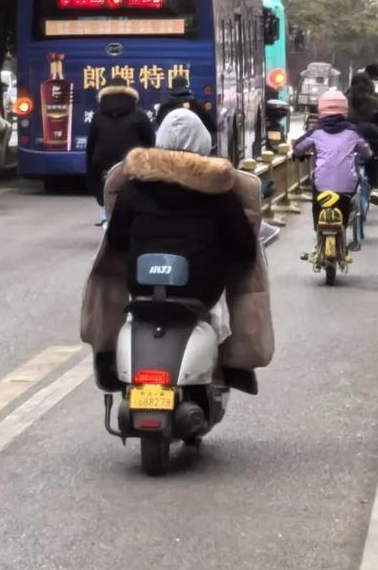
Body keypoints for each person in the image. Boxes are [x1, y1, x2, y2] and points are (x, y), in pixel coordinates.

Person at [80, 108, 272, 394]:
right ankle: (231, 367)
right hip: (199, 291)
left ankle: (109, 362)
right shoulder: (220, 193)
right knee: (219, 308)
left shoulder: (134, 188)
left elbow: (117, 241)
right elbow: (243, 250)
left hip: (142, 285)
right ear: (204, 144)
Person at [293, 89, 372, 231]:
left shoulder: (316, 132)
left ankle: (319, 235)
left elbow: (298, 148)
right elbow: (367, 152)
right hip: (347, 187)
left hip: (322, 185)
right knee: (344, 215)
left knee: (318, 209)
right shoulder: (352, 131)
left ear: (321, 109)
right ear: (345, 109)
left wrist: (299, 155)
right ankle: (342, 240)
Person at [85, 81, 156, 220]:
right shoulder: (139, 115)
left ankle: (107, 223)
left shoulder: (98, 115)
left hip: (102, 165)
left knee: (108, 199)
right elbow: (150, 143)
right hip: (132, 165)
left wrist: (91, 174)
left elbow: (91, 146)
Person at [348, 71, 378, 204]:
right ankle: (375, 187)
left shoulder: (345, 99)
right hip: (372, 141)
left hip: (348, 141)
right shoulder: (375, 101)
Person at [152, 75, 218, 142]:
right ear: (186, 85)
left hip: (170, 145)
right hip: (191, 144)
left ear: (172, 86)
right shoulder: (193, 104)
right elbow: (209, 124)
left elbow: (157, 125)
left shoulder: (166, 105)